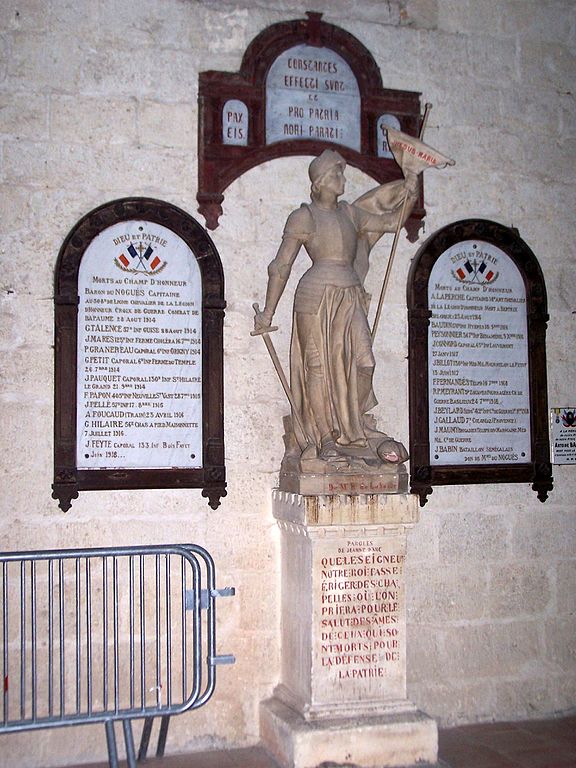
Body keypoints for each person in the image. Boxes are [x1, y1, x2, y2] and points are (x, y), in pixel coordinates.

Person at [253, 149, 418, 470]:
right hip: (314, 295)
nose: (344, 179)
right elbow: (281, 265)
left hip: (350, 294)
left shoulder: (350, 213)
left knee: (364, 362)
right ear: (321, 181)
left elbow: (391, 223)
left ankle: (350, 426)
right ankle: (325, 438)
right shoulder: (304, 217)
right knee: (316, 367)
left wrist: (410, 191)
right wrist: (268, 313)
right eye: (338, 174)